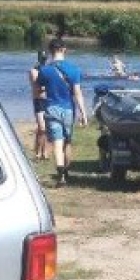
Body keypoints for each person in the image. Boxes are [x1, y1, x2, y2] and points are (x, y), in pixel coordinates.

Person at [36, 38, 87, 186]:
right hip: (68, 109)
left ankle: (61, 176)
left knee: (57, 143)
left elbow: (39, 91)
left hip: (52, 108)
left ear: (51, 51)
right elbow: (77, 93)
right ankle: (67, 171)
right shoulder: (74, 69)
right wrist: (83, 113)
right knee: (67, 142)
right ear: (64, 49)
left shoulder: (44, 70)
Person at [29, 51, 50, 160]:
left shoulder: (48, 69)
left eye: (45, 58)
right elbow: (37, 87)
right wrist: (49, 86)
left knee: (46, 128)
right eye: (42, 58)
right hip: (39, 101)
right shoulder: (34, 70)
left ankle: (45, 151)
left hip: (48, 100)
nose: (44, 60)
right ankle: (37, 152)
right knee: (42, 127)